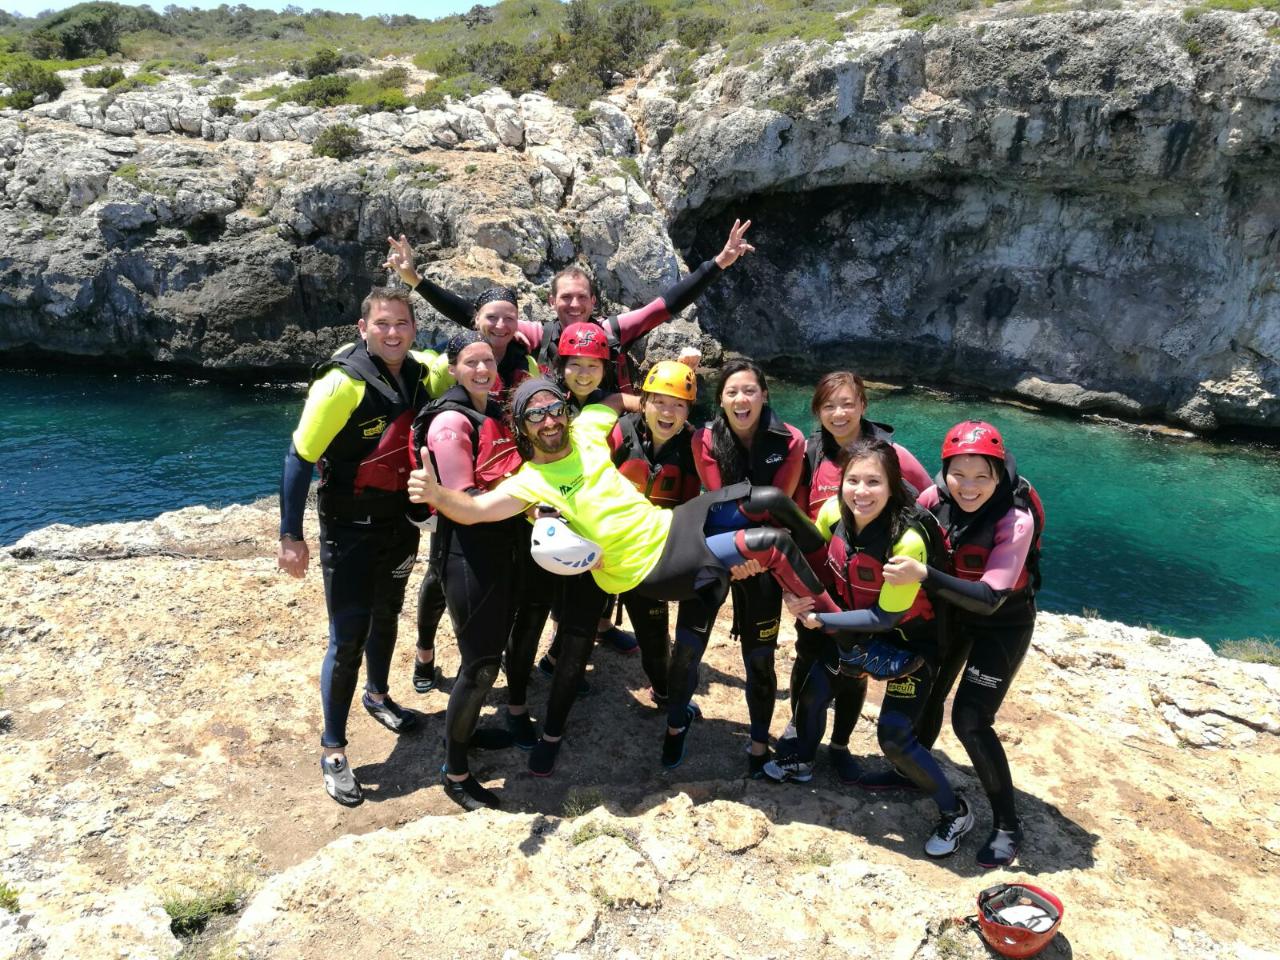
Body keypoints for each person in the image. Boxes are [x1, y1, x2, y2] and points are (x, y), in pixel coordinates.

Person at [407, 377, 837, 778]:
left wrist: (659, 406)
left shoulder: (587, 435)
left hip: (672, 523)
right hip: (650, 566)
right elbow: (475, 510)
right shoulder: (529, 483)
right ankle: (840, 626)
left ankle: (833, 580)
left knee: (772, 499)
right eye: (535, 414)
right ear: (521, 426)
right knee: (772, 544)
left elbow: (610, 401)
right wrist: (436, 495)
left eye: (554, 408)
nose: (550, 419)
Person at [277, 287, 434, 807]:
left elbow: (479, 358)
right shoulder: (340, 384)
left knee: (388, 614)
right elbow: (299, 460)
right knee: (347, 638)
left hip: (399, 525)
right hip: (348, 528)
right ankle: (333, 749)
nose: (393, 333)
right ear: (363, 328)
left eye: (402, 324)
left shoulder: (420, 373)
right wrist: (290, 536)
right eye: (383, 324)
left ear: (414, 329)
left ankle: (379, 694)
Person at [779, 438, 969, 860]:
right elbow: (808, 562)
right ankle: (802, 762)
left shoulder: (907, 541)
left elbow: (885, 618)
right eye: (853, 480)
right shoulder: (833, 514)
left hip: (909, 643)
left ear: (893, 485)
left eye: (873, 482)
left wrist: (822, 620)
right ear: (840, 482)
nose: (861, 492)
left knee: (895, 738)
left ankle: (955, 811)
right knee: (812, 695)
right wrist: (795, 597)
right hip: (855, 629)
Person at [882, 420, 1043, 867]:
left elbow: (992, 597)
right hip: (953, 616)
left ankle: (1008, 825)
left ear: (998, 474)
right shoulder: (935, 500)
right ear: (944, 472)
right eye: (958, 475)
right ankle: (914, 773)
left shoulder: (1015, 518)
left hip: (1002, 624)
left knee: (971, 720)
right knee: (928, 693)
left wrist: (924, 576)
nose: (968, 487)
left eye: (981, 477)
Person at [385, 218, 755, 395]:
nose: (574, 304)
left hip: (611, 428)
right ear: (552, 301)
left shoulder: (613, 331)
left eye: (582, 297)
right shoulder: (538, 334)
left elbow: (668, 303)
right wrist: (416, 281)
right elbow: (478, 317)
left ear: (594, 301)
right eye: (566, 297)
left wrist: (717, 263)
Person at [785, 371, 933, 783]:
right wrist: (793, 588)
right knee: (808, 657)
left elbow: (929, 500)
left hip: (872, 590)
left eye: (848, 403)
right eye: (829, 405)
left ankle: (840, 746)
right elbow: (798, 518)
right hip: (824, 581)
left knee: (855, 670)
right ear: (818, 411)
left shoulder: (892, 454)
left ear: (863, 405)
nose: (839, 413)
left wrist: (921, 565)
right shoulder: (810, 453)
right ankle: (799, 733)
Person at [409, 331, 526, 810]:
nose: (482, 369)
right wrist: (534, 501)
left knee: (485, 656)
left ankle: (468, 733)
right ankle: (455, 773)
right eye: (471, 362)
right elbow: (463, 502)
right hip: (468, 555)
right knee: (479, 667)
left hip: (499, 549)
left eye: (487, 361)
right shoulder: (452, 422)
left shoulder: (492, 409)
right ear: (453, 369)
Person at [408, 285, 536, 695]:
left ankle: (484, 655)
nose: (499, 326)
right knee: (437, 577)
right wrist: (415, 280)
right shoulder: (452, 409)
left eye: (508, 318)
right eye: (489, 318)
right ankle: (426, 651)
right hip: (463, 509)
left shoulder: (518, 366)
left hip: (496, 504)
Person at [692, 360, 807, 777]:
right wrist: (737, 554)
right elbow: (717, 500)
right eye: (732, 392)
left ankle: (759, 745)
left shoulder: (790, 440)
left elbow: (783, 507)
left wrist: (754, 558)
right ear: (720, 399)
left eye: (750, 391)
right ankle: (674, 717)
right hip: (723, 549)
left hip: (764, 556)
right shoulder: (705, 438)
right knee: (691, 646)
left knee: (759, 659)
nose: (741, 400)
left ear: (764, 395)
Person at [608, 358, 711, 766]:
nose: (668, 413)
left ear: (689, 412)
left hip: (653, 555)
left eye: (679, 405)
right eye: (659, 402)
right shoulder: (618, 434)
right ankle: (555, 666)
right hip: (608, 547)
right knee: (574, 625)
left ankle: (665, 693)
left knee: (654, 640)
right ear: (643, 402)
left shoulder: (694, 449)